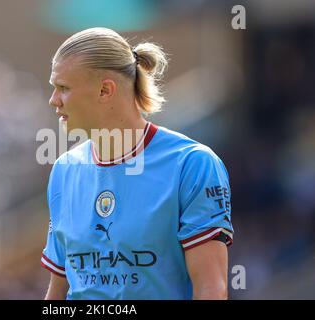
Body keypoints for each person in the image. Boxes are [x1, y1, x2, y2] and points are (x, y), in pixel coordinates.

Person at [41, 27, 233, 300]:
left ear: (105, 90)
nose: (53, 100)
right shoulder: (64, 170)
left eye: (63, 88)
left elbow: (211, 289)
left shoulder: (192, 164)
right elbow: (58, 292)